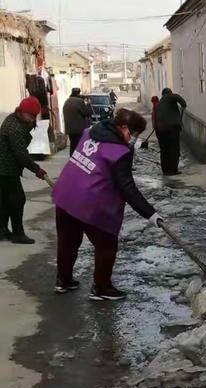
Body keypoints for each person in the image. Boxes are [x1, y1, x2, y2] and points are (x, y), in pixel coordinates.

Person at [52, 109, 163, 301]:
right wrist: (150, 214)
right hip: (89, 202)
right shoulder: (120, 152)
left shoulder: (89, 133)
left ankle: (64, 281)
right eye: (132, 133)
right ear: (122, 127)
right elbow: (127, 188)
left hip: (65, 194)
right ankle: (102, 288)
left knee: (67, 241)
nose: (133, 139)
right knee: (106, 244)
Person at [0, 96, 48, 244]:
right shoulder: (15, 128)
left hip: (6, 167)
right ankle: (18, 233)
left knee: (5, 200)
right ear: (22, 112)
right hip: (5, 168)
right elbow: (21, 154)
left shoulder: (16, 119)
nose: (33, 119)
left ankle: (2, 229)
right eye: (31, 116)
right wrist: (37, 169)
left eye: (35, 116)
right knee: (17, 199)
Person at [154, 88, 187, 175]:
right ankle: (173, 170)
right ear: (170, 93)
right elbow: (181, 101)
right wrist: (183, 105)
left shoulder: (160, 103)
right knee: (174, 149)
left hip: (161, 130)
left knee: (164, 150)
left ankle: (166, 170)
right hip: (172, 128)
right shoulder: (170, 97)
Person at [63, 88, 92, 156]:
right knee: (79, 146)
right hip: (78, 129)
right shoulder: (79, 101)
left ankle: (72, 159)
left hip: (69, 128)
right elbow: (87, 113)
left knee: (72, 145)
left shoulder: (67, 100)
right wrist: (88, 104)